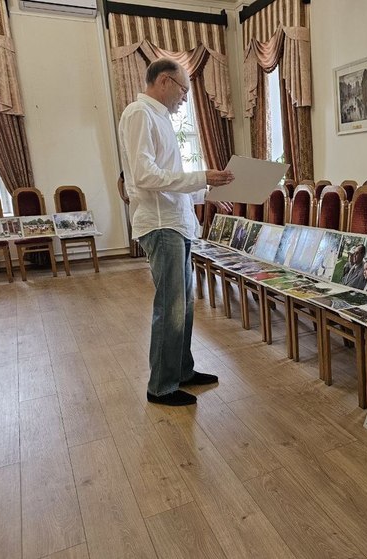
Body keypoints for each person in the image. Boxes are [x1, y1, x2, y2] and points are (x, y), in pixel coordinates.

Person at [119, 58, 234, 407]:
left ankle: (182, 371)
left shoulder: (160, 118)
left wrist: (207, 195)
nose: (185, 97)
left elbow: (169, 180)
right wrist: (202, 178)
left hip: (176, 223)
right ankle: (161, 387)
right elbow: (144, 177)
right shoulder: (140, 113)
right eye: (184, 89)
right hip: (160, 224)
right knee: (169, 307)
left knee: (182, 307)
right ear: (165, 81)